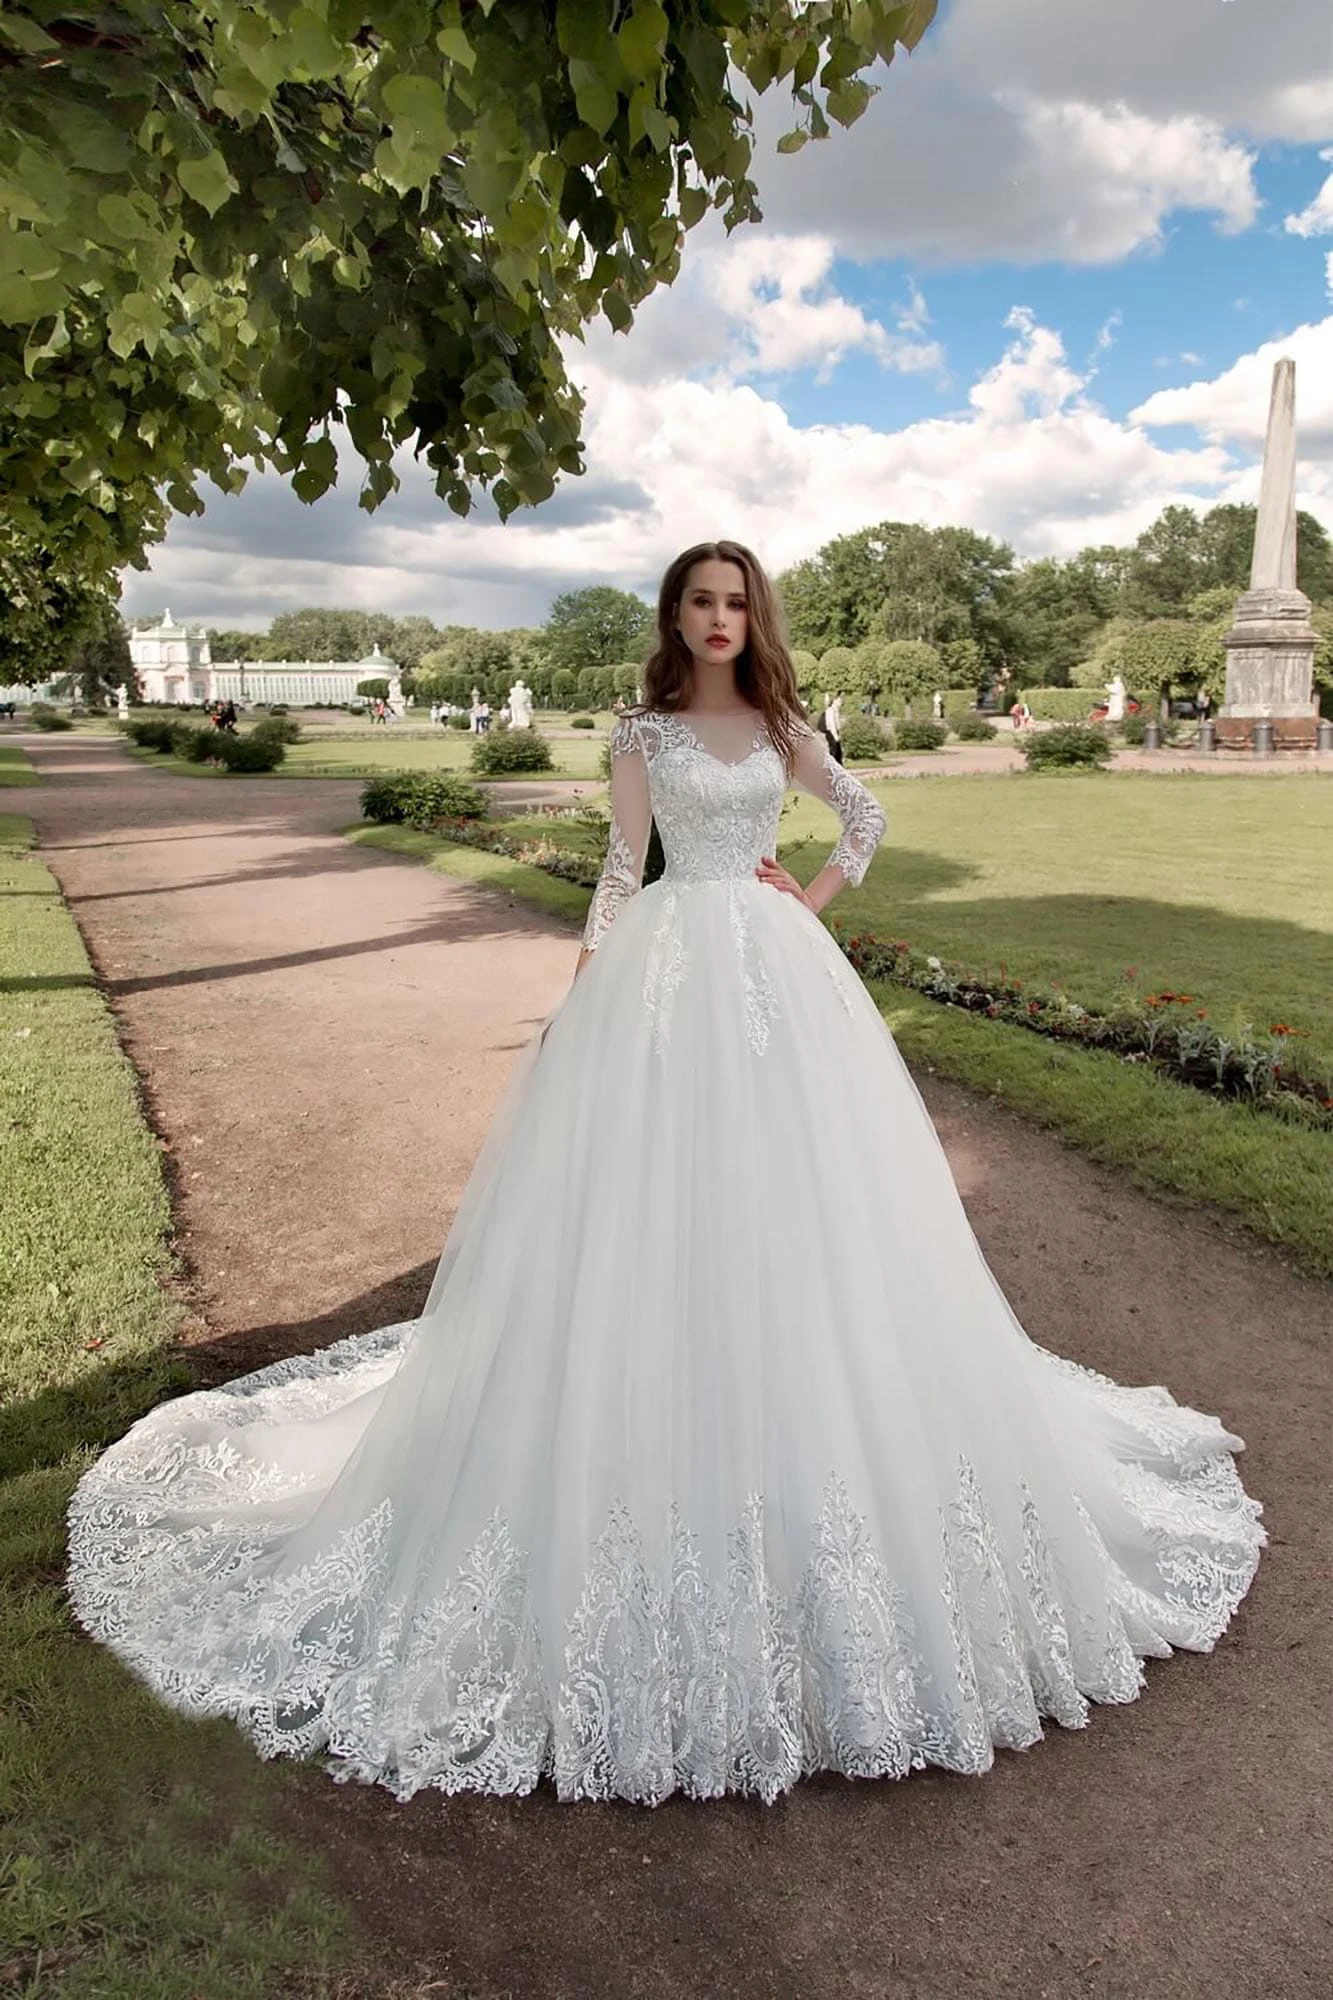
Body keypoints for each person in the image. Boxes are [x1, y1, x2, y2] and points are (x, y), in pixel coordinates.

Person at [67, 539, 1262, 1809]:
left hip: (774, 972)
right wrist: (583, 988)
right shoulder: (643, 732)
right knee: (649, 1200)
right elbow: (617, 870)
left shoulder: (781, 722)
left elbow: (866, 815)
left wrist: (803, 898)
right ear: (673, 614)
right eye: (699, 600)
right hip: (665, 970)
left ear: (755, 618)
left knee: (804, 1203)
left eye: (734, 601)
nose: (716, 618)